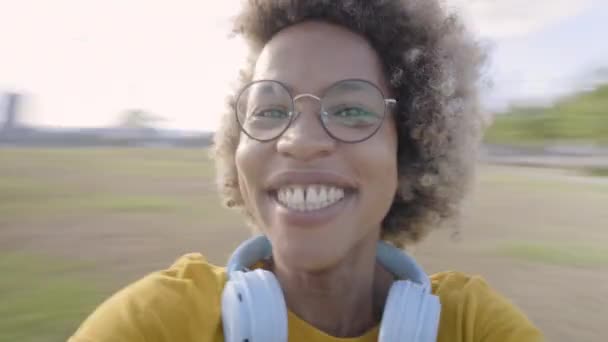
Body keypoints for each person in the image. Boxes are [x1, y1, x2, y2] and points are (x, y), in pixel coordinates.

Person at [69, 1, 544, 341]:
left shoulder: (469, 326)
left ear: (410, 150)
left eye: (353, 111)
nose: (298, 141)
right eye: (269, 111)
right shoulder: (159, 321)